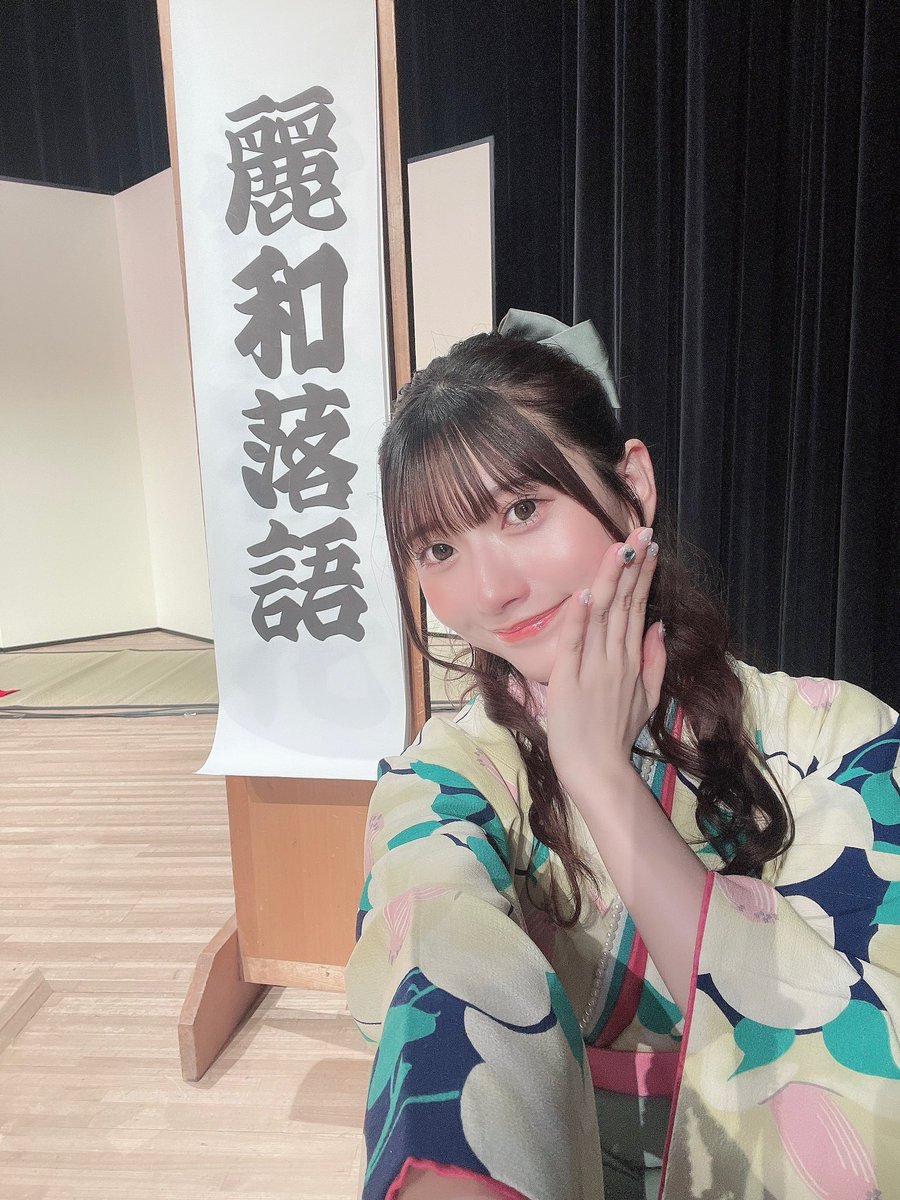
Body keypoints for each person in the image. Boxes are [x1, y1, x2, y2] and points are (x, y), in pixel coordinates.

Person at [345, 312, 900, 1200]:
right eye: (439, 549)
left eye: (522, 509)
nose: (490, 589)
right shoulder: (443, 781)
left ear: (632, 485)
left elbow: (867, 1057)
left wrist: (602, 779)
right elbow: (441, 982)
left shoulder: (840, 738)